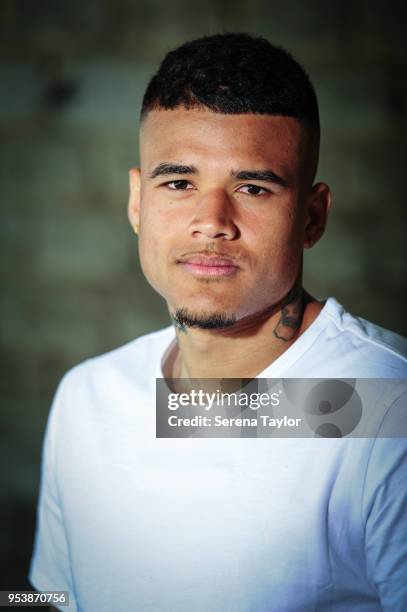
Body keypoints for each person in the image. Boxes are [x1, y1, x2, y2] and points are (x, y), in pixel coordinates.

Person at [29, 33, 407, 611]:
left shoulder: (386, 406)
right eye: (179, 183)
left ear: (312, 216)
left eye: (252, 187)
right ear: (137, 202)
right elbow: (52, 600)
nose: (211, 221)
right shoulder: (88, 395)